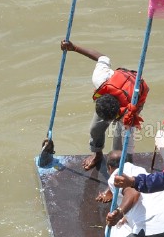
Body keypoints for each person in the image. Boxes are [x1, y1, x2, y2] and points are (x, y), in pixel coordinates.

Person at [59, 40, 148, 170]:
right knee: (95, 128)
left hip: (134, 95)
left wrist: (125, 165)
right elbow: (102, 57)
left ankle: (119, 168)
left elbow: (129, 146)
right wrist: (75, 48)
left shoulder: (129, 111)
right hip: (114, 90)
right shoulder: (100, 79)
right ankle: (97, 154)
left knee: (119, 147)